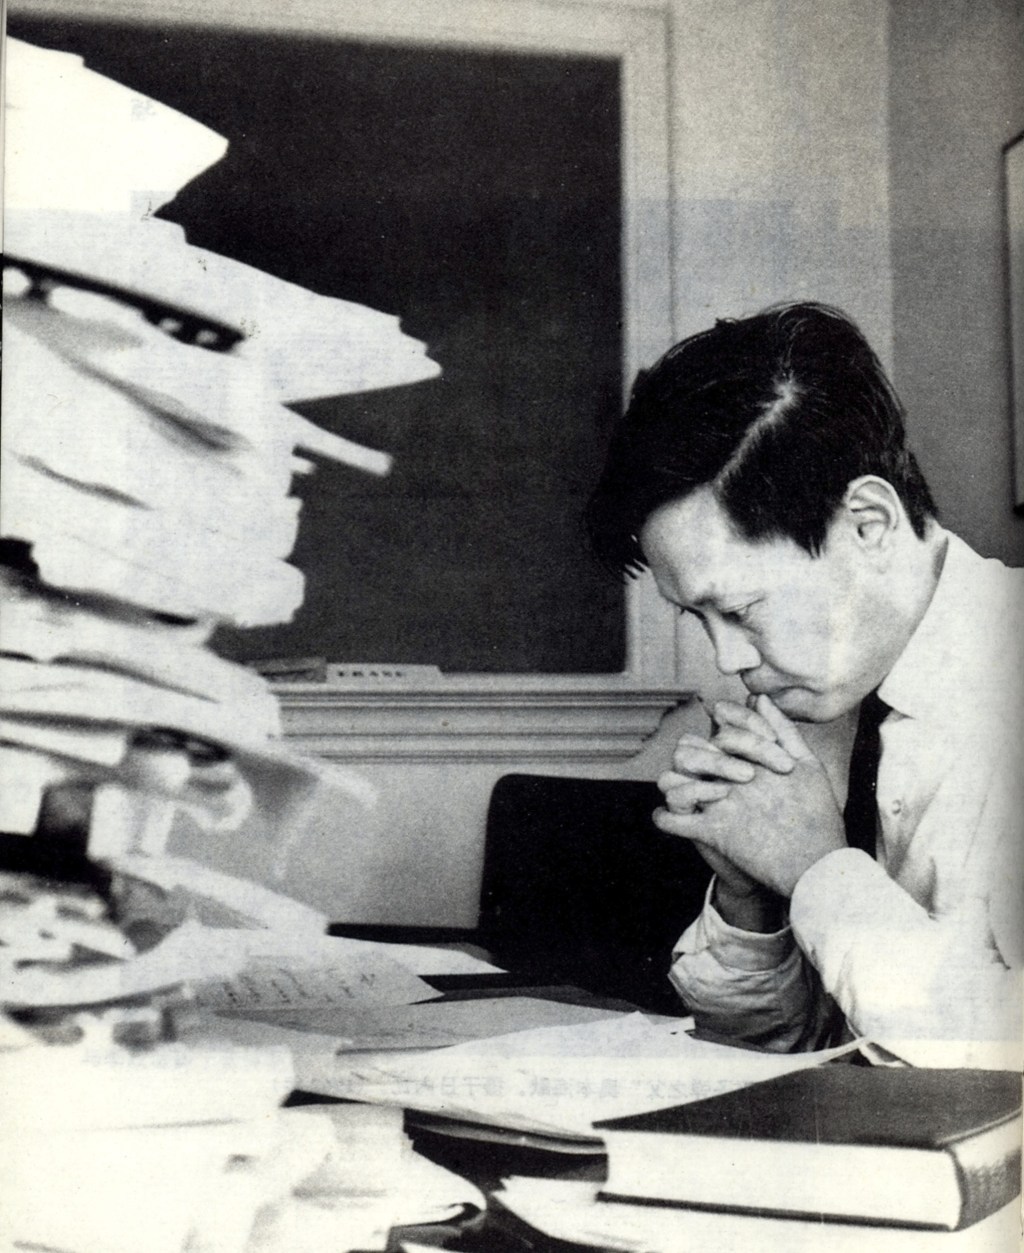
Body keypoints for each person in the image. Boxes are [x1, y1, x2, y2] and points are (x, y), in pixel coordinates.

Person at [585, 302, 1022, 1068]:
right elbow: (787, 1056)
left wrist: (817, 870)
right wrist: (752, 899)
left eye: (741, 608)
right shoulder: (826, 693)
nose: (727, 659)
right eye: (696, 617)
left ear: (870, 523)